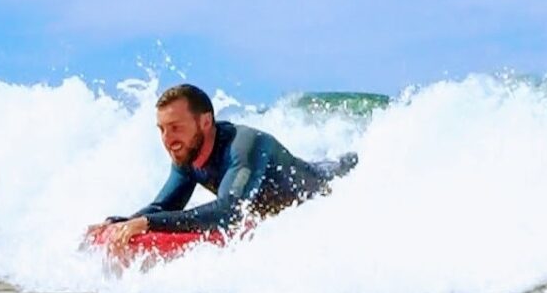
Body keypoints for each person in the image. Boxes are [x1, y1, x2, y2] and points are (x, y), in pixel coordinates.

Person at [94, 84, 358, 251]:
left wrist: (148, 223)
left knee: (350, 163)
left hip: (333, 185)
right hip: (285, 203)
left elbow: (229, 211)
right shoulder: (187, 156)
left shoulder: (244, 146)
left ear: (205, 122)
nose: (167, 139)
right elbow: (164, 206)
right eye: (162, 129)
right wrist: (121, 222)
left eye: (175, 127)